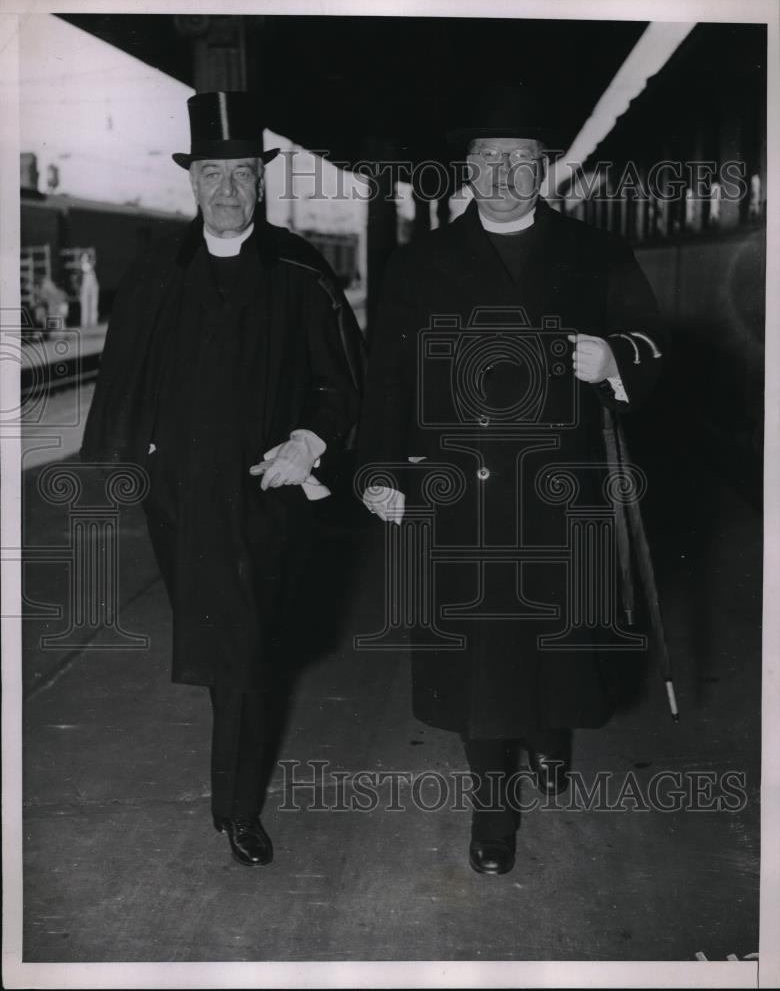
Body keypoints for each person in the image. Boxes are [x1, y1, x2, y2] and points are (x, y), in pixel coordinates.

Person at [357, 86, 665, 876]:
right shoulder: (420, 265)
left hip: (561, 489)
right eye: (487, 160)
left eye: (519, 161)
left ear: (546, 168)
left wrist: (615, 359)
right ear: (466, 170)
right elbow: (387, 380)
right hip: (461, 493)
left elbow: (658, 347)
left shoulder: (596, 255)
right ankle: (493, 815)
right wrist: (381, 472)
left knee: (557, 643)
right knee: (482, 659)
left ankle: (550, 736)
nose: (502, 175)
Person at [81, 91, 363, 868]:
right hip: (181, 499)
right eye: (214, 174)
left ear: (261, 179)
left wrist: (310, 440)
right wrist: (120, 469)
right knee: (228, 643)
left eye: (242, 173)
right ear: (194, 181)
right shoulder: (158, 272)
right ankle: (235, 793)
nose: (229, 190)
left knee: (242, 646)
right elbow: (122, 378)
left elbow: (342, 382)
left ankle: (236, 810)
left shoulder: (301, 272)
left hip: (269, 491)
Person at [78, 250, 100, 327]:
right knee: (85, 303)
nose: (85, 259)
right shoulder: (83, 267)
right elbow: (89, 266)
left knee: (94, 303)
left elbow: (93, 263)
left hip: (92, 283)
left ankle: (93, 321)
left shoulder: (91, 269)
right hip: (85, 283)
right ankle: (85, 322)